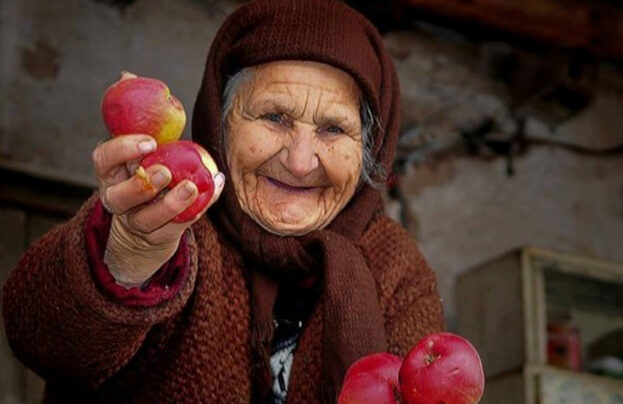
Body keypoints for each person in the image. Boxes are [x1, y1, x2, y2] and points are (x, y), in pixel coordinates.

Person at [1, 1, 445, 402]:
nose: (300, 161)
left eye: (333, 130)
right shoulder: (172, 216)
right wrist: (128, 256)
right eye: (274, 117)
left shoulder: (394, 268)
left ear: (370, 147)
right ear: (221, 122)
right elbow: (44, 342)